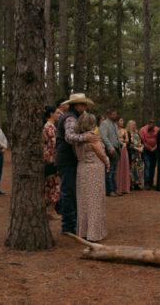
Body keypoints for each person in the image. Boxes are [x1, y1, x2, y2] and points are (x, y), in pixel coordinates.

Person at [54, 93, 99, 235]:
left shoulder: (71, 116)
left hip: (68, 159)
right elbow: (69, 137)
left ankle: (72, 224)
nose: (84, 107)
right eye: (83, 104)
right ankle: (68, 226)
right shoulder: (70, 118)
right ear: (77, 105)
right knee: (68, 192)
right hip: (67, 160)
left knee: (72, 192)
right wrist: (85, 137)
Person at [75, 112, 110, 242]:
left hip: (82, 169)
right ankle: (94, 233)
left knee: (84, 201)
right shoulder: (93, 137)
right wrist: (107, 162)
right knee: (94, 201)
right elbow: (101, 154)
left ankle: (84, 231)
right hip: (94, 170)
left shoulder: (78, 138)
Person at [43, 105, 61, 219]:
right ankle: (50, 209)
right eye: (57, 113)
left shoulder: (50, 126)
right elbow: (53, 145)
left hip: (50, 158)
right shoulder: (49, 128)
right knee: (54, 184)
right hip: (51, 159)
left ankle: (50, 208)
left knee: (51, 183)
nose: (59, 115)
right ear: (51, 114)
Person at [101, 109, 121, 196]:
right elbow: (104, 137)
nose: (115, 116)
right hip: (110, 150)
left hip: (116, 149)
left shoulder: (114, 124)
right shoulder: (104, 124)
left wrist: (120, 143)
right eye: (114, 114)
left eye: (116, 114)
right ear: (109, 115)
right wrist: (110, 147)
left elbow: (116, 136)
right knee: (109, 171)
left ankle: (114, 189)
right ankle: (109, 191)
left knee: (114, 171)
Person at [139, 119, 159, 189]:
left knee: (153, 166)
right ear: (148, 124)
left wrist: (155, 147)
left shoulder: (157, 129)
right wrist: (150, 148)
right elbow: (143, 141)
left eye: (154, 125)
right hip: (146, 150)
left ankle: (151, 182)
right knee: (147, 165)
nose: (152, 127)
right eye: (151, 125)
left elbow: (158, 139)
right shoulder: (142, 130)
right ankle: (146, 183)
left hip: (155, 150)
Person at [126, 120, 144, 190]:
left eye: (135, 125)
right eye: (133, 125)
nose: (134, 126)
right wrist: (136, 148)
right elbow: (129, 145)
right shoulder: (128, 134)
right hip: (132, 154)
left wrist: (142, 147)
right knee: (131, 168)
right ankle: (131, 183)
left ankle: (137, 183)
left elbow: (142, 142)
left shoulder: (137, 134)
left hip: (138, 155)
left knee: (138, 169)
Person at [116, 116, 131, 194]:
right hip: (117, 149)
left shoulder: (124, 130)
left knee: (124, 167)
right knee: (118, 167)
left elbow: (127, 140)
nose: (122, 122)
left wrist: (123, 140)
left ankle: (125, 187)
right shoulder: (114, 130)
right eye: (121, 121)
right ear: (117, 122)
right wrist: (120, 140)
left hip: (123, 149)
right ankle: (117, 187)